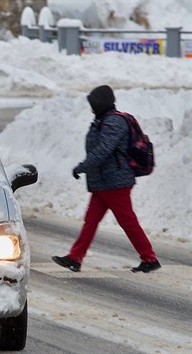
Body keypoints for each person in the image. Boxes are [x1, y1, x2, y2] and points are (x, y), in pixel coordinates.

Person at [52, 85, 161, 273]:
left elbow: (103, 150)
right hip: (103, 182)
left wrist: (82, 166)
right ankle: (75, 258)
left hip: (115, 182)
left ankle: (149, 258)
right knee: (91, 221)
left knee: (127, 221)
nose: (91, 108)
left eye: (93, 105)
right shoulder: (102, 120)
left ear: (101, 104)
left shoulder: (113, 123)